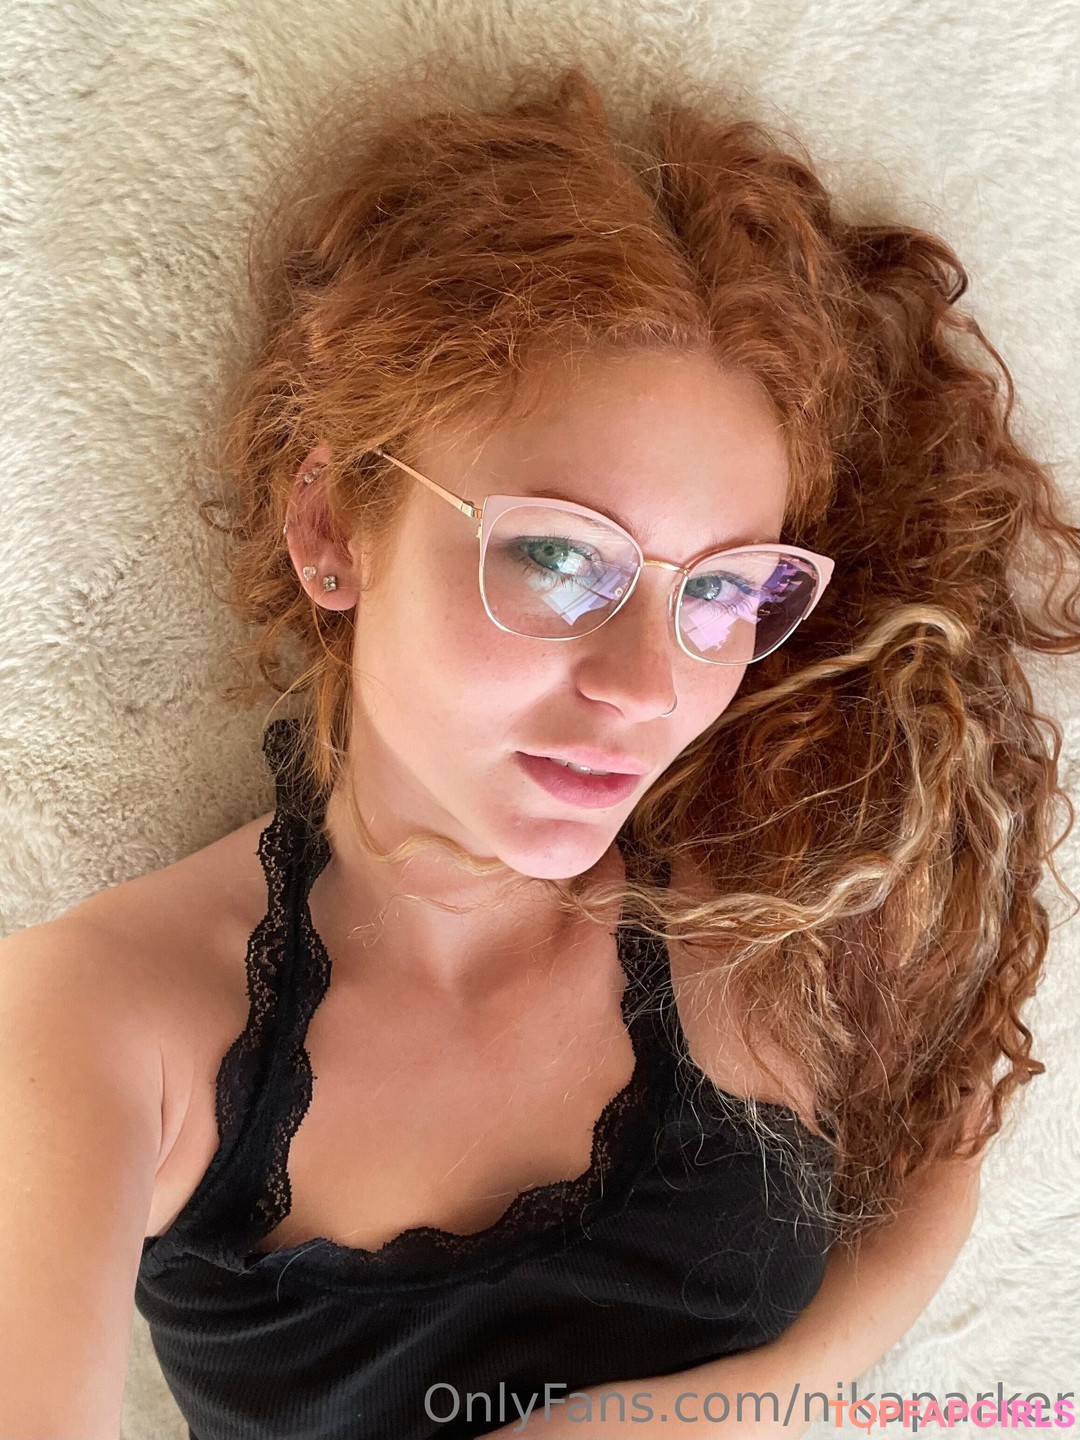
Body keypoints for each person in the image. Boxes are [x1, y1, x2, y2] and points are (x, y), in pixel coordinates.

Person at [3, 59, 1078, 1440]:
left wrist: (691, 1415)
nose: (647, 689)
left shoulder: (783, 898)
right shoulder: (101, 1025)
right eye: (563, 558)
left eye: (721, 592)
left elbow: (944, 1147)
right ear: (331, 527)